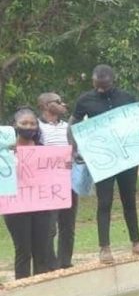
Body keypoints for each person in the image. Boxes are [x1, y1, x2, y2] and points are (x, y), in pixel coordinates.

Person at [69, 64, 139, 263]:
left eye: (105, 86)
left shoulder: (127, 97)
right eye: (97, 85)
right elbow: (73, 124)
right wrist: (74, 149)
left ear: (112, 80)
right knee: (104, 202)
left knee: (129, 201)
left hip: (126, 158)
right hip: (103, 160)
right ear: (93, 81)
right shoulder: (85, 100)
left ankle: (136, 243)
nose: (101, 89)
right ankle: (104, 248)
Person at [4, 108, 54, 279]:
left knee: (42, 251)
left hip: (41, 205)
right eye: (24, 123)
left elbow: (56, 174)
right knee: (23, 250)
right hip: (15, 207)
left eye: (33, 123)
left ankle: (41, 289)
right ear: (14, 126)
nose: (29, 127)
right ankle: (22, 288)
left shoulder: (44, 151)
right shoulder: (5, 153)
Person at [36, 93, 76, 270]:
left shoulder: (68, 127)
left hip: (69, 180)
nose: (63, 104)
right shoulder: (36, 127)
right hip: (48, 184)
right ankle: (50, 264)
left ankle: (65, 262)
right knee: (49, 226)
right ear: (45, 105)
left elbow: (75, 150)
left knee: (68, 224)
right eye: (58, 102)